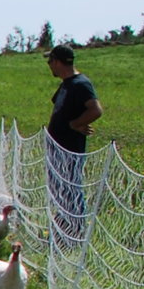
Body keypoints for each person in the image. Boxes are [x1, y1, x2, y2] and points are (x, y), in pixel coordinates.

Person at [45, 43, 100, 246]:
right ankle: (63, 232)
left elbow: (96, 109)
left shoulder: (80, 84)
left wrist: (76, 124)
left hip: (69, 148)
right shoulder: (67, 84)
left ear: (58, 62)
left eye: (50, 61)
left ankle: (73, 235)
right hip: (59, 147)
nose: (49, 66)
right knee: (60, 191)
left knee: (70, 189)